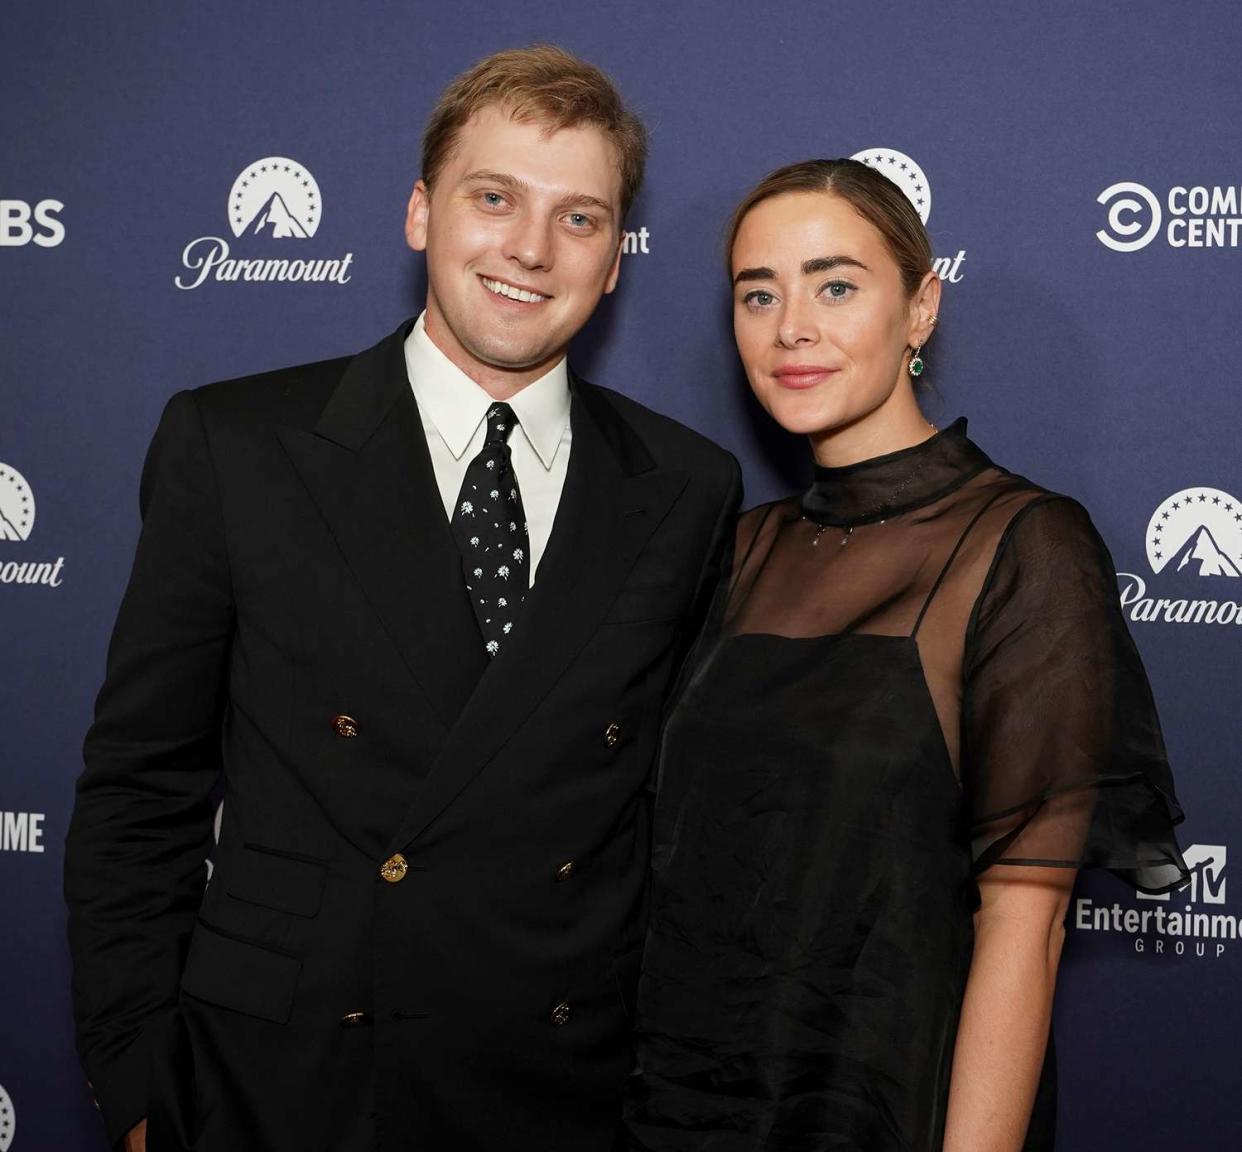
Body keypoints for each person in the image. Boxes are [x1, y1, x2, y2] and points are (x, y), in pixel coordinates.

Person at [65, 46, 740, 1152]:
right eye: (494, 198)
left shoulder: (687, 487)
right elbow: (143, 788)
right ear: (422, 213)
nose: (530, 248)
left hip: (556, 1089)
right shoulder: (236, 445)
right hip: (280, 1083)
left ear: (616, 260)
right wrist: (142, 1086)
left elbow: (666, 832)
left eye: (580, 218)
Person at [622, 159, 1187, 1151]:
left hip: (881, 1108)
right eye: (760, 293)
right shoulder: (740, 547)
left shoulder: (1025, 546)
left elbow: (1028, 925)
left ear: (921, 308)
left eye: (836, 284)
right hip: (678, 1101)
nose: (792, 325)